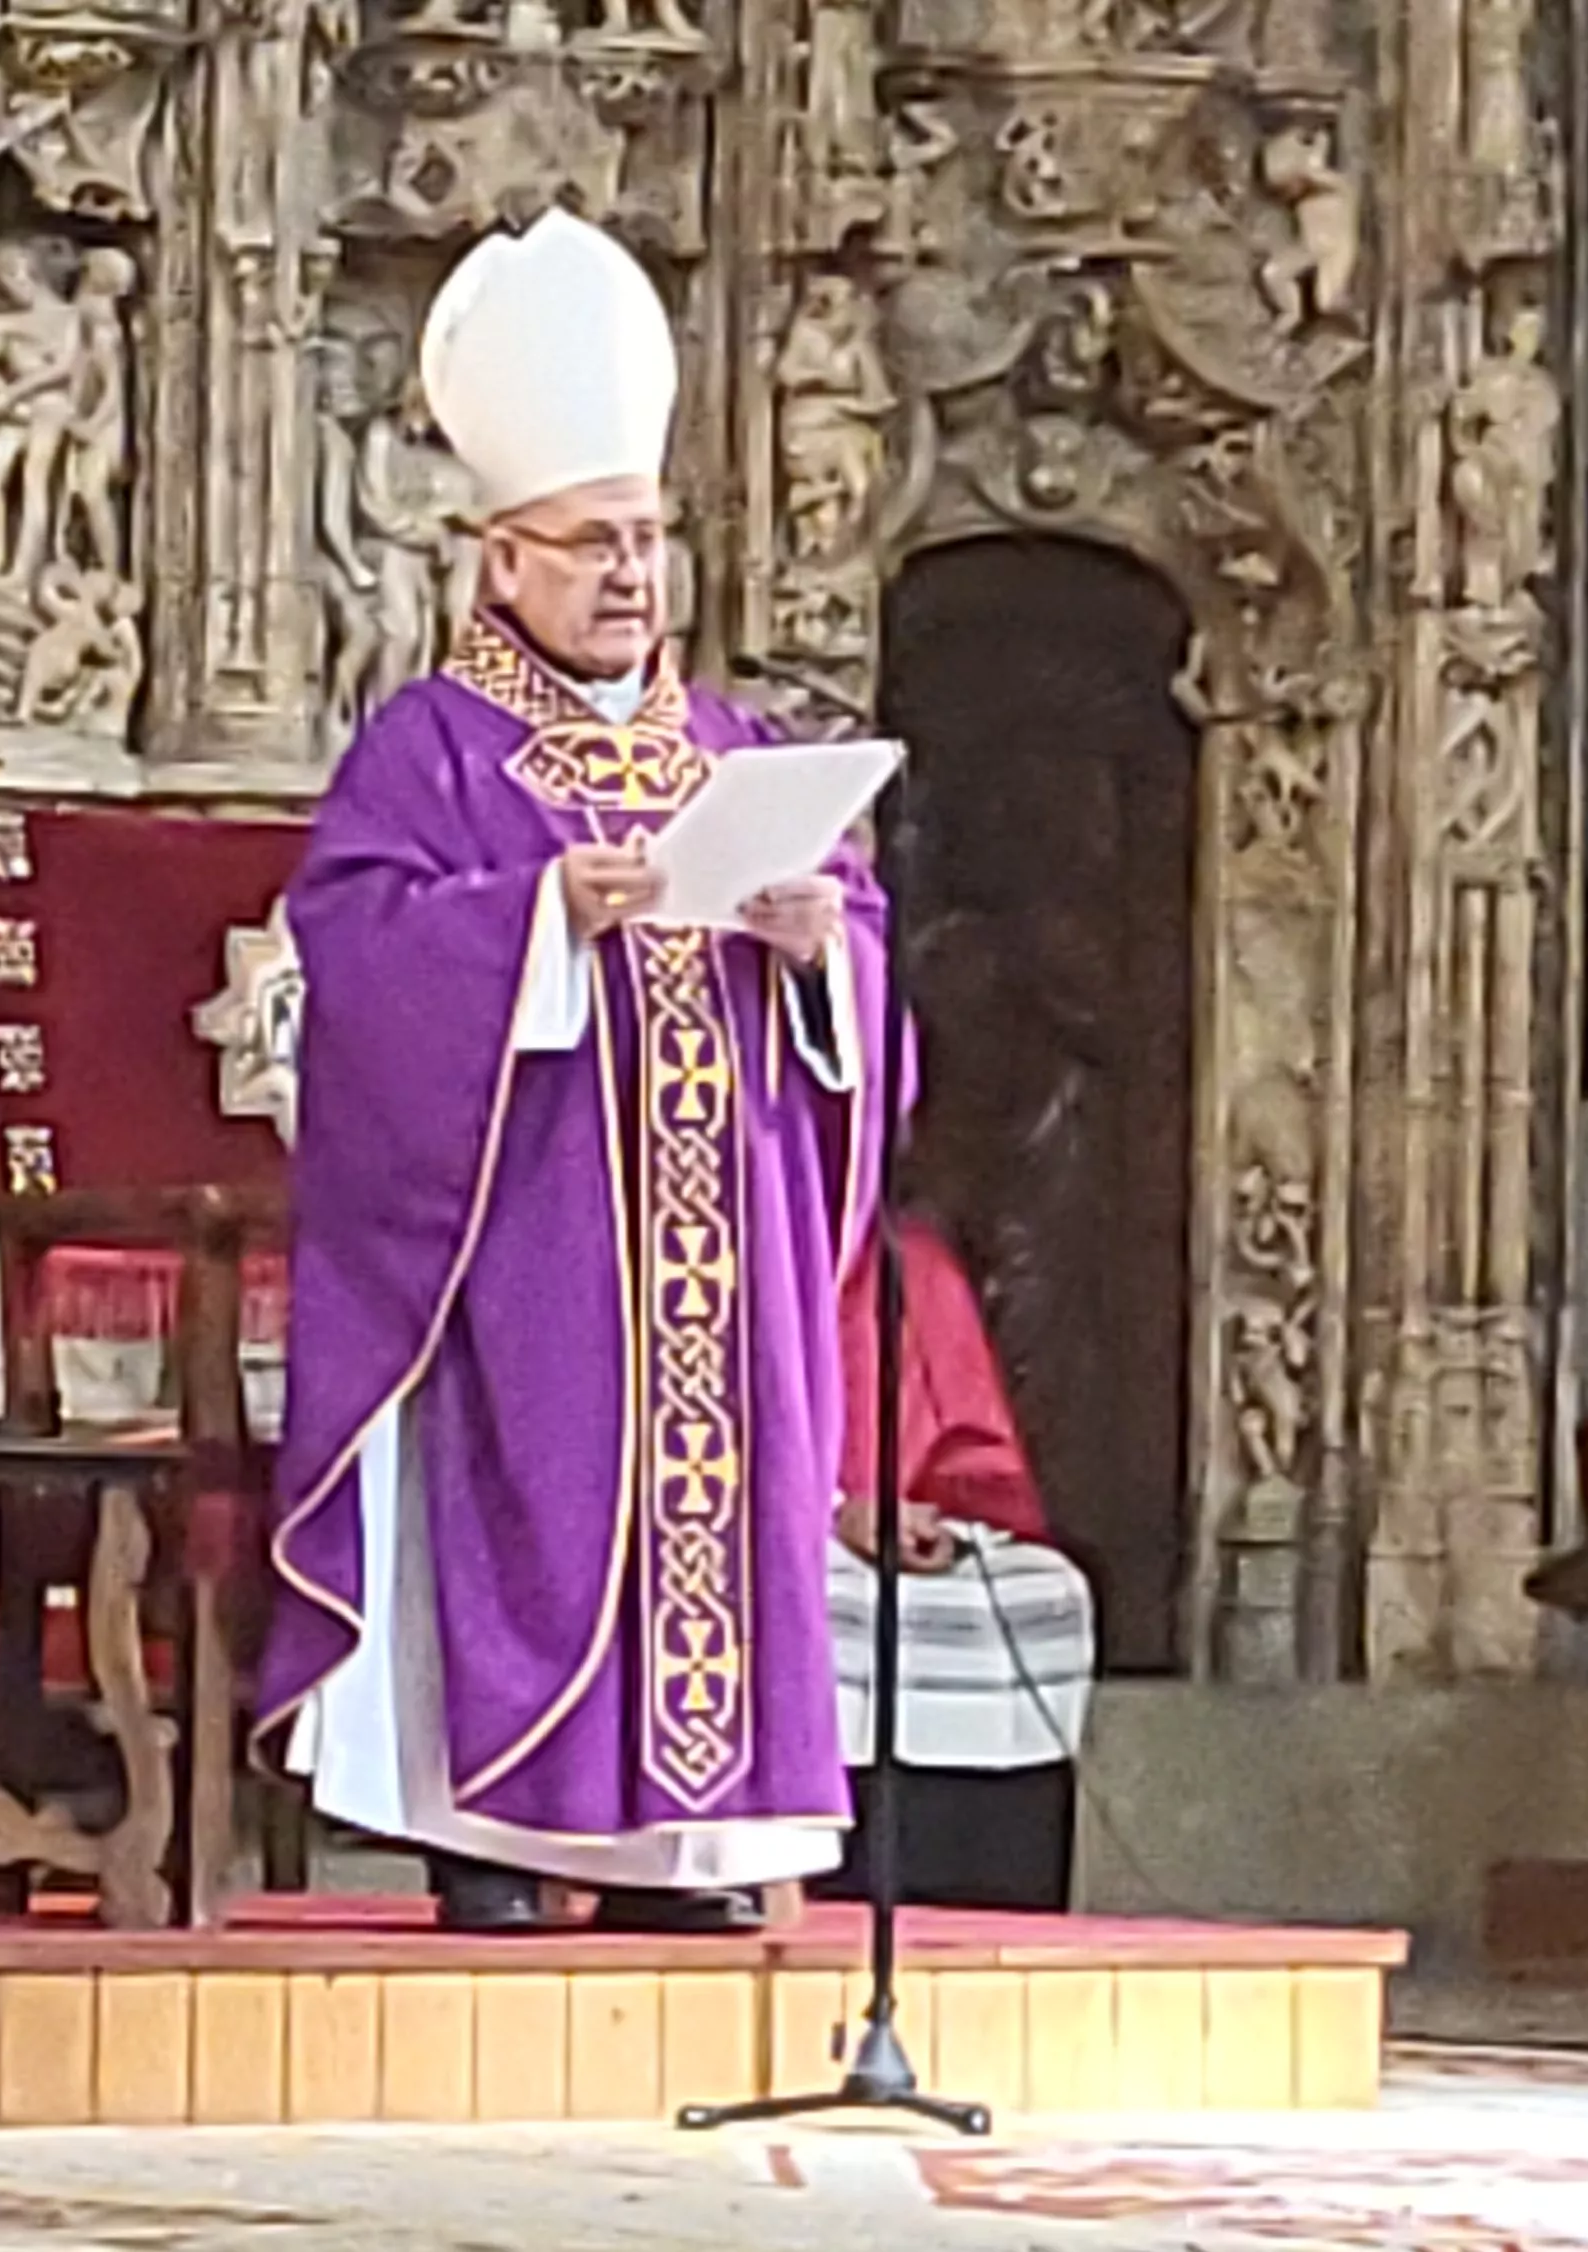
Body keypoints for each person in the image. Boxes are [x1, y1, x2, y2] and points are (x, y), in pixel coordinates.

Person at [261, 209, 897, 1936]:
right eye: (594, 542)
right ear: (501, 564)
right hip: (533, 1241)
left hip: (722, 1239)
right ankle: (497, 1826)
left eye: (652, 539)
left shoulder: (737, 748)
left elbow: (860, 960)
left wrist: (814, 946)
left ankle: (690, 1855)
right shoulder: (433, 750)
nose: (633, 573)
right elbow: (359, 963)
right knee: (535, 1505)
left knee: (722, 1507)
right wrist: (535, 917)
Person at [822, 1212, 1095, 1911]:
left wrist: (947, 1513)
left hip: (899, 1516)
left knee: (1045, 1593)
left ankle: (988, 1893)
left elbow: (967, 1442)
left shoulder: (907, 1259)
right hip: (776, 1531)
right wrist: (829, 1508)